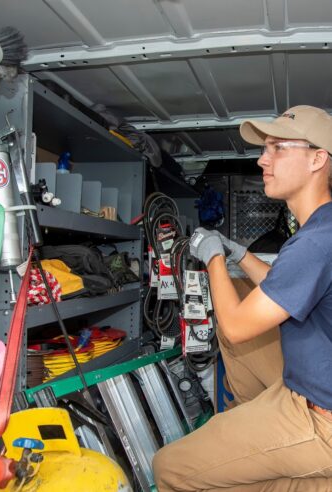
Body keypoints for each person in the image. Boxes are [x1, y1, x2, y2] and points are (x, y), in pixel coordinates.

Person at [153, 105, 332, 492]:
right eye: (264, 149)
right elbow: (282, 289)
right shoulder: (322, 227)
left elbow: (235, 327)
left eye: (278, 148)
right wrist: (238, 254)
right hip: (309, 385)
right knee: (238, 298)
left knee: (170, 469)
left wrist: (214, 256)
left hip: (322, 419)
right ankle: (244, 436)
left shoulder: (316, 241)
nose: (262, 159)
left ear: (318, 159)